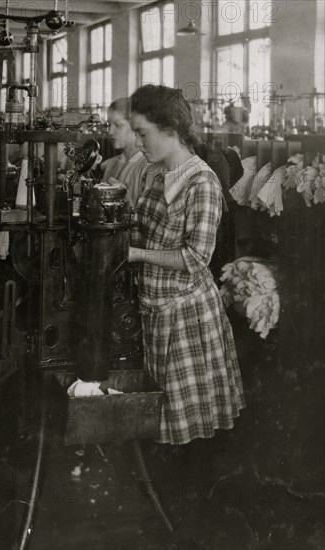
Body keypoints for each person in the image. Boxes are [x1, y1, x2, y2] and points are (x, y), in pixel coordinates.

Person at [128, 84, 245, 445]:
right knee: (159, 414)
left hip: (186, 317)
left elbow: (196, 259)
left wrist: (135, 255)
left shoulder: (201, 182)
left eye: (142, 133)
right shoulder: (157, 173)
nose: (138, 143)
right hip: (155, 307)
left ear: (171, 130)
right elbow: (146, 227)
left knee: (186, 426)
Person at [101, 98, 148, 208]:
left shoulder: (148, 167)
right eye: (109, 125)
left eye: (117, 125)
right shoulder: (109, 165)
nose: (110, 132)